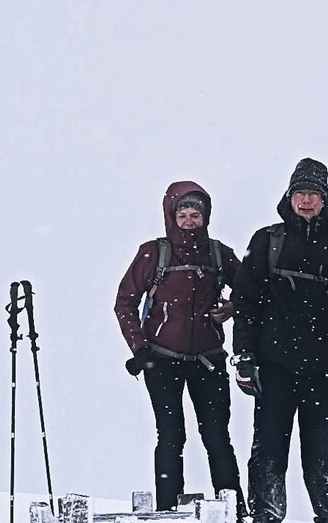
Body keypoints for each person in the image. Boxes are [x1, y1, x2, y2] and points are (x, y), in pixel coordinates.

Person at [231, 158, 328, 523]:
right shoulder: (267, 240)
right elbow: (246, 301)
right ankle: (266, 514)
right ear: (289, 196)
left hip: (326, 373)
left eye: (313, 193)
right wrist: (244, 355)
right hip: (274, 367)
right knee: (268, 450)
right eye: (300, 193)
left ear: (325, 200)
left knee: (325, 453)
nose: (307, 200)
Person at [114, 181, 245, 512]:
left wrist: (232, 308)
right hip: (162, 360)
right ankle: (168, 511)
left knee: (217, 437)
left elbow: (252, 292)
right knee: (171, 437)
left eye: (195, 215)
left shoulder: (218, 253)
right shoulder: (154, 253)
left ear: (206, 217)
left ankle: (234, 509)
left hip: (209, 361)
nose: (189, 221)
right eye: (182, 214)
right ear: (171, 216)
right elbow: (125, 302)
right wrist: (140, 349)